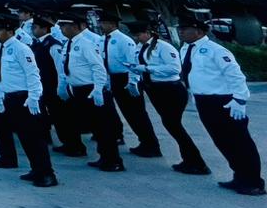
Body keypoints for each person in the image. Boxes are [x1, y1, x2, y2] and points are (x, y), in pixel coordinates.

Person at [177, 14, 264, 196]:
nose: (181, 32)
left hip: (225, 101)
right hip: (204, 101)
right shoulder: (185, 49)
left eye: (185, 29)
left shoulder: (216, 50)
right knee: (222, 141)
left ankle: (253, 182)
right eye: (180, 29)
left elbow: (235, 76)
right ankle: (239, 176)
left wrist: (239, 100)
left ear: (199, 31)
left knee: (240, 142)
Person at [128, 19, 209, 176]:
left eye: (139, 34)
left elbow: (174, 69)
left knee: (174, 125)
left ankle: (196, 163)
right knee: (171, 125)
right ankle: (190, 160)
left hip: (170, 91)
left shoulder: (163, 47)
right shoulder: (140, 47)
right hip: (154, 90)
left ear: (148, 32)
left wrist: (147, 68)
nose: (137, 38)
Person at [0, 14, 57, 187]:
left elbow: (33, 74)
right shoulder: (1, 48)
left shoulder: (22, 48)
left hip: (25, 98)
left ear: (9, 31)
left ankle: (47, 174)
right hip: (10, 98)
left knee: (34, 137)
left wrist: (34, 97)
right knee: (24, 138)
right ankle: (36, 169)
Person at [56, 12, 123, 171]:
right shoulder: (69, 44)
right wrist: (63, 85)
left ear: (74, 27)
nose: (62, 29)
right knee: (96, 127)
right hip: (79, 90)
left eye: (64, 26)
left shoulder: (86, 44)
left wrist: (99, 89)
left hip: (92, 89)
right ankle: (104, 156)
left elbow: (98, 67)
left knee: (104, 126)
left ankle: (113, 161)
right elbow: (66, 68)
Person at [99, 11, 160, 158]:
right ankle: (143, 142)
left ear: (112, 24)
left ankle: (151, 144)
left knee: (137, 113)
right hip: (113, 78)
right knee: (127, 113)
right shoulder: (102, 40)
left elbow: (133, 62)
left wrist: (132, 81)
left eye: (103, 23)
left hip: (127, 78)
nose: (101, 25)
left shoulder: (123, 40)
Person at [30, 15, 75, 152]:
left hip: (53, 86)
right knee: (43, 114)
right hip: (41, 86)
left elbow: (60, 68)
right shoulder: (36, 43)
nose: (33, 30)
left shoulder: (53, 45)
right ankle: (49, 138)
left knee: (61, 116)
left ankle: (72, 144)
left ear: (44, 29)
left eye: (36, 27)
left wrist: (61, 87)